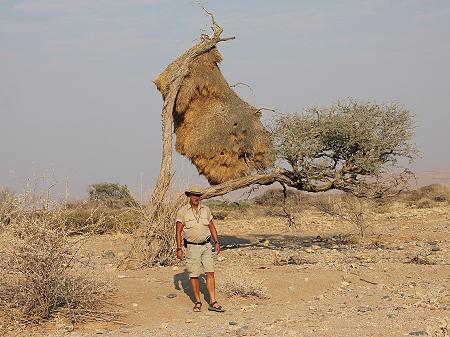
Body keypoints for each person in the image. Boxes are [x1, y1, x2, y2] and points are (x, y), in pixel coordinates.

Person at [175, 186, 225, 313]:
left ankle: (213, 301)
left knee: (210, 272)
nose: (196, 198)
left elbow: (212, 226)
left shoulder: (206, 210)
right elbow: (178, 231)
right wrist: (179, 248)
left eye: (198, 195)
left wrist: (217, 242)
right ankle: (198, 301)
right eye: (193, 195)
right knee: (194, 275)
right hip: (192, 247)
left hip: (207, 246)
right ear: (189, 196)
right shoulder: (182, 211)